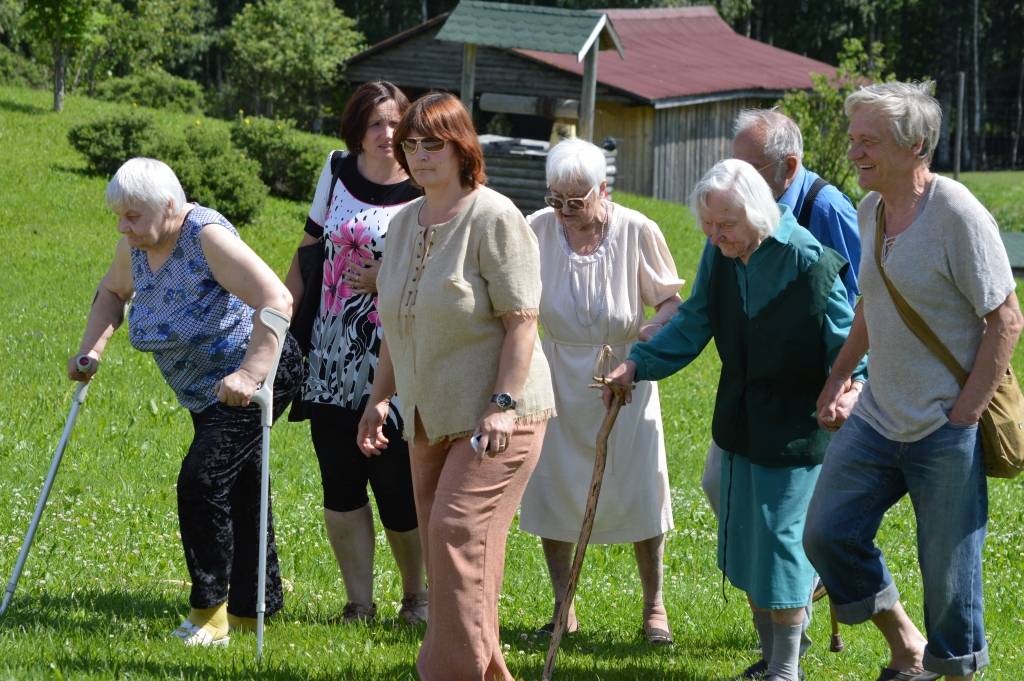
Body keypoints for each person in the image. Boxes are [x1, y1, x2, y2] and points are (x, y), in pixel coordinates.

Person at [605, 159, 862, 681]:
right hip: (741, 418)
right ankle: (772, 654)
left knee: (778, 538)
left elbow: (849, 344)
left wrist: (850, 388)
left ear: (760, 215)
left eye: (727, 226)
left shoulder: (809, 262)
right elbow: (696, 318)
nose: (716, 237)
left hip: (797, 427)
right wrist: (638, 363)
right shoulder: (722, 255)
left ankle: (785, 669)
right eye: (709, 227)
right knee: (736, 518)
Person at [805, 81, 1022, 681]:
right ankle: (906, 644)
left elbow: (1006, 319)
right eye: (853, 140)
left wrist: (965, 415)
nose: (853, 153)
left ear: (917, 143)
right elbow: (873, 305)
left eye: (868, 142)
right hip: (876, 416)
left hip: (943, 425)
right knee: (827, 535)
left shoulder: (955, 212)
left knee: (950, 578)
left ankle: (951, 671)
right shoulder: (870, 209)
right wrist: (839, 379)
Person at [357, 93, 555, 681]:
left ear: (461, 146)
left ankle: (444, 673)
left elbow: (522, 320)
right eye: (409, 145)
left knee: (454, 533)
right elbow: (397, 322)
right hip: (427, 417)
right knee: (461, 557)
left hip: (499, 420)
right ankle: (485, 671)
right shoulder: (402, 224)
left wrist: (502, 404)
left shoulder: (493, 216)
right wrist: (378, 398)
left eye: (432, 144)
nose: (419, 156)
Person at [68, 157, 302, 647]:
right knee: (241, 488)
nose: (123, 225)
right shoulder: (136, 247)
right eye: (119, 215)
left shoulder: (205, 237)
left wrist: (250, 374)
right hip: (205, 392)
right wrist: (92, 350)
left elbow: (277, 299)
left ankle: (208, 613)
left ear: (169, 206)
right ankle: (252, 608)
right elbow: (113, 293)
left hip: (258, 374)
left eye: (133, 215)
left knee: (202, 481)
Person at [518, 138, 683, 645]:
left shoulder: (637, 230)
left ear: (603, 190)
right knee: (554, 486)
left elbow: (671, 304)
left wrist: (640, 355)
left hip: (624, 376)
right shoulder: (535, 229)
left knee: (639, 485)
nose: (565, 212)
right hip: (556, 375)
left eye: (577, 201)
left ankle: (654, 607)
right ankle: (563, 602)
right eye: (556, 200)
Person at [721, 106, 864, 679]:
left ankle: (793, 637)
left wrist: (846, 380)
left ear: (789, 166)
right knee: (732, 496)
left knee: (791, 527)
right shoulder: (735, 218)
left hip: (815, 401)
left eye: (750, 168)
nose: (739, 178)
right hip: (753, 404)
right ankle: (791, 606)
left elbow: (856, 303)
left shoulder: (824, 209)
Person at [283, 80, 426, 625]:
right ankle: (358, 602)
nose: (387, 134)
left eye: (395, 123)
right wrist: (277, 320)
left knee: (395, 483)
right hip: (328, 356)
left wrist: (385, 280)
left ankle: (415, 598)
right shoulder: (336, 170)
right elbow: (307, 252)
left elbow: (431, 276)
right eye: (375, 123)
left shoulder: (422, 188)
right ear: (356, 128)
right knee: (339, 482)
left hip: (391, 362)